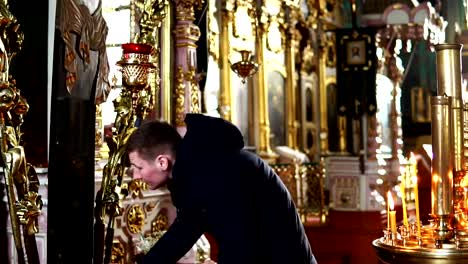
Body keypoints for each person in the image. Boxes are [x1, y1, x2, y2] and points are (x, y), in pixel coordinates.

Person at [127, 113, 317, 264]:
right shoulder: (196, 170)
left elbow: (242, 245)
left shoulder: (211, 172)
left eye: (138, 167)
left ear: (162, 162)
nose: (136, 176)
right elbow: (183, 232)